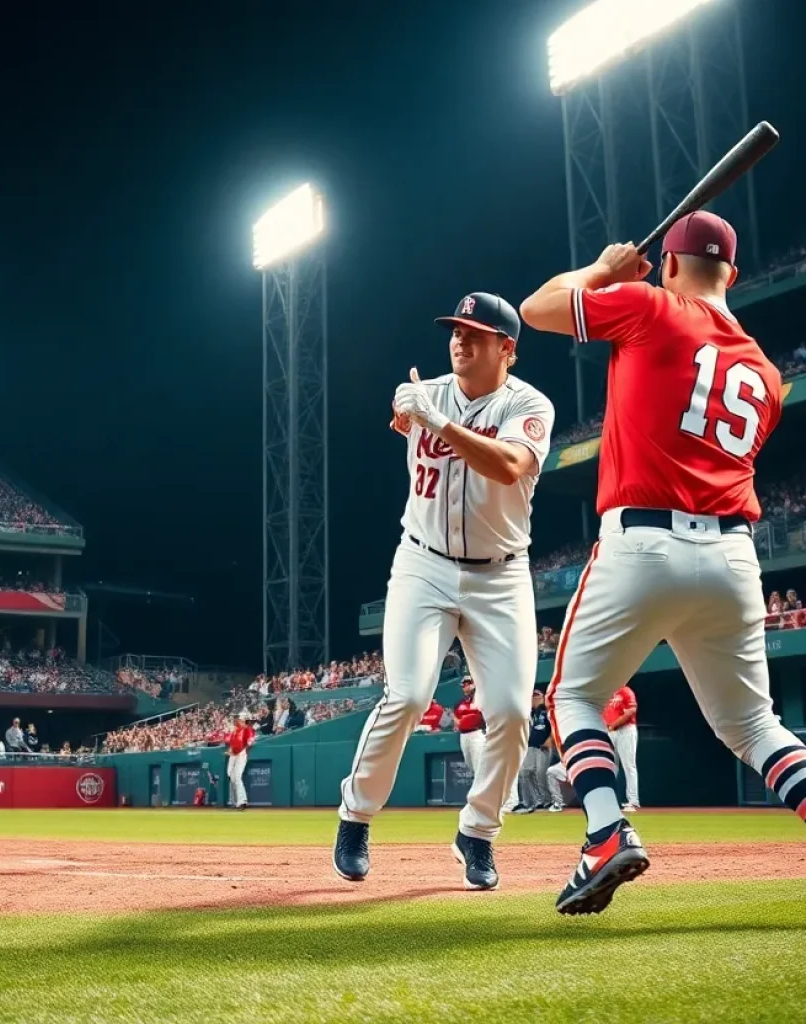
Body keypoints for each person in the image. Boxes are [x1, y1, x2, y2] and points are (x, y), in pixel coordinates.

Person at [521, 210, 806, 915]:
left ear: (670, 265)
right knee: (754, 726)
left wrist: (605, 271)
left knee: (573, 698)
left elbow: (536, 309)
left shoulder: (652, 306)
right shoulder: (769, 376)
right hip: (736, 558)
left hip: (644, 541)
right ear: (732, 276)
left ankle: (604, 832)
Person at [334, 292, 555, 890]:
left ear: (507, 349)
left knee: (510, 712)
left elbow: (510, 465)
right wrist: (406, 411)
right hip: (423, 565)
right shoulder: (428, 390)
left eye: (475, 334)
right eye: (455, 331)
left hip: (500, 575)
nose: (460, 340)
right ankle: (355, 815)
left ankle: (478, 832)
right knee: (406, 696)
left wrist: (434, 420)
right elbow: (401, 418)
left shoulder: (529, 404)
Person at [516, 690, 553, 812]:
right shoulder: (530, 713)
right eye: (533, 697)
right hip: (530, 746)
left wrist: (550, 739)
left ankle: (546, 801)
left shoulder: (547, 711)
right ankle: (533, 801)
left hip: (543, 746)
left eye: (537, 697)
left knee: (540, 774)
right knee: (524, 772)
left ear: (542, 698)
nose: (534, 699)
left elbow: (555, 726)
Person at [605, 685, 640, 811]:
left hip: (625, 730)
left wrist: (614, 724)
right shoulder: (606, 691)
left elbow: (631, 711)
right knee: (610, 766)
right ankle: (610, 800)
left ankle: (633, 801)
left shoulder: (626, 691)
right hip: (610, 731)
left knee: (629, 765)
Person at [453, 679, 485, 778]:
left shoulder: (481, 700)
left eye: (468, 684)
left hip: (477, 733)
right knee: (469, 762)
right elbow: (455, 716)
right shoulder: (460, 703)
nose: (465, 687)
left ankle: (480, 788)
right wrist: (457, 723)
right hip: (464, 735)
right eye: (464, 685)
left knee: (478, 763)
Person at [225, 715, 255, 809]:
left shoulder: (247, 729)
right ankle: (234, 801)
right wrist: (230, 750)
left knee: (237, 777)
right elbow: (230, 742)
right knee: (231, 776)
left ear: (243, 721)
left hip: (241, 754)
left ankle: (242, 801)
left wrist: (248, 744)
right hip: (233, 755)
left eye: (239, 720)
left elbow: (250, 740)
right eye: (236, 720)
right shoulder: (234, 731)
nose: (237, 721)